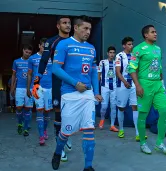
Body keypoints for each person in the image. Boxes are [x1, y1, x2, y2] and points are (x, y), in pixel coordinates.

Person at [51, 15, 102, 171]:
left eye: (90, 29)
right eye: (85, 28)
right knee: (65, 132)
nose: (88, 32)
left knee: (89, 129)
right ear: (76, 28)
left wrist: (96, 91)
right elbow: (55, 68)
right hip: (69, 94)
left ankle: (88, 167)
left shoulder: (91, 48)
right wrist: (75, 83)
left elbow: (93, 71)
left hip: (87, 94)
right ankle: (58, 152)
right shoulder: (64, 45)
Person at [32, 16, 72, 160]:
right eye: (64, 23)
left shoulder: (75, 42)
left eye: (69, 23)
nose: (67, 25)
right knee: (59, 112)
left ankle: (66, 134)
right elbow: (43, 62)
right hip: (57, 83)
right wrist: (36, 82)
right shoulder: (51, 42)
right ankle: (59, 146)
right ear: (58, 26)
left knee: (70, 113)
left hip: (72, 83)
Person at [128, 25, 166, 155]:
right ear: (146, 35)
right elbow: (132, 68)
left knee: (164, 112)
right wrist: (138, 85)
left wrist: (162, 84)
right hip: (144, 85)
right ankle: (142, 143)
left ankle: (159, 143)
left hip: (157, 85)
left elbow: (159, 68)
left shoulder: (158, 49)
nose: (155, 34)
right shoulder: (138, 49)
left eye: (156, 32)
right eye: (153, 32)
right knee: (143, 115)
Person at [115, 37, 141, 141]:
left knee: (135, 107)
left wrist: (138, 83)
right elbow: (118, 72)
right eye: (129, 44)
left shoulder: (135, 56)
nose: (131, 46)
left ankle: (138, 133)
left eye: (132, 44)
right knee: (121, 108)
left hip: (133, 85)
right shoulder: (119, 56)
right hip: (122, 85)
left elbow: (137, 70)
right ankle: (121, 129)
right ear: (124, 45)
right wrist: (125, 82)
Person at [27, 37, 52, 146]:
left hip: (49, 88)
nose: (44, 48)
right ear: (39, 46)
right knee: (39, 111)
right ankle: (41, 135)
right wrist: (29, 88)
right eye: (43, 46)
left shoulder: (52, 58)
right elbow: (29, 74)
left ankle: (45, 130)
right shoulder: (32, 59)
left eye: (46, 47)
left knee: (47, 112)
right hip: (37, 87)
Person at [11, 44, 33, 136]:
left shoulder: (32, 62)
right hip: (19, 88)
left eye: (29, 53)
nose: (27, 54)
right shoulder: (16, 62)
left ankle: (26, 128)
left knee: (27, 109)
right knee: (19, 108)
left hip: (30, 88)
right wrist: (12, 87)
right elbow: (13, 75)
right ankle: (20, 123)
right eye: (26, 52)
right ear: (23, 50)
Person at [98, 46, 118, 132]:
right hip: (104, 87)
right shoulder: (102, 62)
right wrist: (97, 87)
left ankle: (112, 125)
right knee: (104, 106)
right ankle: (102, 119)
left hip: (114, 87)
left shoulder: (116, 63)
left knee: (113, 106)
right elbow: (98, 75)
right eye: (110, 52)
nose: (112, 54)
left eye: (113, 53)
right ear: (107, 53)